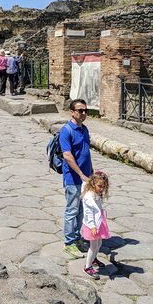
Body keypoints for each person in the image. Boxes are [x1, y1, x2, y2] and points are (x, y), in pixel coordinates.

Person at [61, 99, 93, 259]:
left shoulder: (84, 129)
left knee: (81, 210)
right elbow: (67, 155)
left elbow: (87, 153)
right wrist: (80, 174)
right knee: (72, 210)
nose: (83, 113)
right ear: (72, 112)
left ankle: (77, 237)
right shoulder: (66, 131)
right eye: (80, 111)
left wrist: (91, 173)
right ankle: (69, 243)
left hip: (86, 177)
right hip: (73, 178)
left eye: (85, 110)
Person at [81, 171, 111, 280]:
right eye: (100, 186)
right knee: (93, 246)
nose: (102, 188)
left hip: (98, 222)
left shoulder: (96, 193)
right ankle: (87, 266)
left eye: (104, 186)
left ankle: (93, 259)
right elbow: (89, 213)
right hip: (92, 225)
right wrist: (92, 226)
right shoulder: (89, 197)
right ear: (93, 184)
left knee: (99, 243)